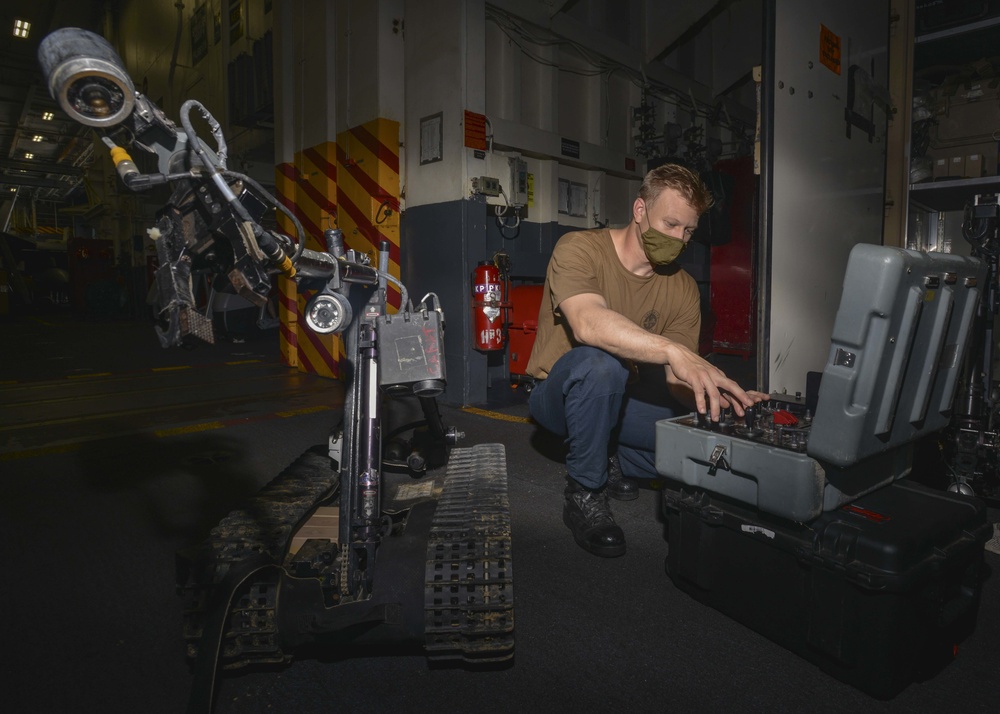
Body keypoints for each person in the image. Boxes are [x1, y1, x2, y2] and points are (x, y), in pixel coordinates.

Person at [526, 163, 767, 557]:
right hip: (561, 394)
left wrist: (724, 402)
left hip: (625, 396)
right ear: (640, 210)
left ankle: (610, 451)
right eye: (670, 224)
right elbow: (588, 324)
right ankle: (586, 491)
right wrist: (673, 349)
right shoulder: (579, 248)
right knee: (602, 365)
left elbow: (676, 380)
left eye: (688, 231)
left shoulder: (683, 288)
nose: (679, 239)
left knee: (697, 455)